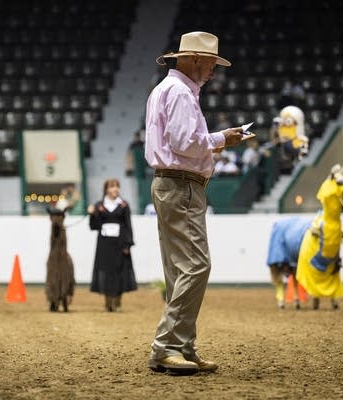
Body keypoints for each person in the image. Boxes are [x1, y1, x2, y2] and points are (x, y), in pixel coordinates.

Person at [145, 31, 243, 374]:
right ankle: (167, 346)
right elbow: (186, 142)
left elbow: (180, 141)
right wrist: (223, 139)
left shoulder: (166, 90)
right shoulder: (181, 93)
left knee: (179, 270)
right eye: (211, 63)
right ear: (195, 60)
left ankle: (181, 346)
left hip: (171, 184)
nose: (214, 71)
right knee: (197, 266)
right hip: (182, 185)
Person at [87, 178, 137, 312]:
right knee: (105, 271)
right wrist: (91, 215)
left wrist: (128, 244)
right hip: (104, 244)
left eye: (117, 186)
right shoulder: (99, 205)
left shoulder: (124, 205)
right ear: (106, 189)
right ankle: (108, 302)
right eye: (112, 186)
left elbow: (128, 225)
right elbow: (94, 226)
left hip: (120, 243)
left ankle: (118, 302)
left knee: (119, 271)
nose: (115, 189)